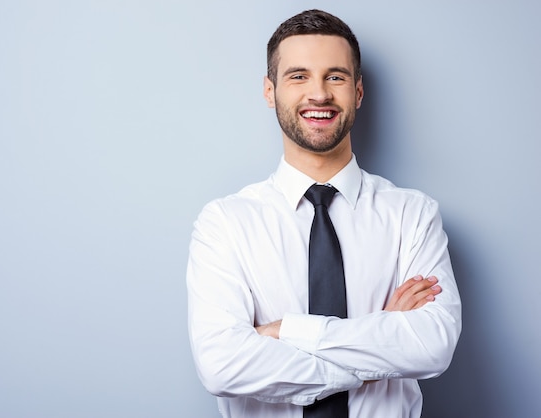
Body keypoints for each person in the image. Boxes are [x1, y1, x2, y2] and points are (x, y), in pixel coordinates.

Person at [186, 9, 461, 418]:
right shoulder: (225, 223)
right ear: (269, 91)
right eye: (298, 76)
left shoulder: (412, 214)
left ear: (359, 92)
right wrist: (377, 348)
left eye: (336, 76)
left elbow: (432, 345)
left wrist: (286, 331)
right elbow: (222, 367)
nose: (319, 94)